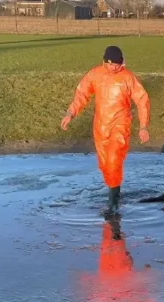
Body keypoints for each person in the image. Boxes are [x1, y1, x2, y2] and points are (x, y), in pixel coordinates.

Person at [61, 46, 151, 215]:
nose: (114, 68)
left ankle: (113, 203)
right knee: (104, 166)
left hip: (120, 125)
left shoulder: (128, 78)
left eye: (117, 65)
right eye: (111, 65)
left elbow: (142, 99)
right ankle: (114, 192)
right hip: (101, 126)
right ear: (104, 62)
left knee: (113, 159)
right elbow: (82, 94)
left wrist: (143, 126)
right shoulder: (95, 75)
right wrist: (70, 113)